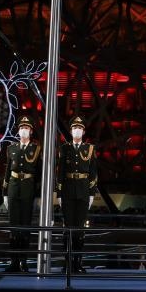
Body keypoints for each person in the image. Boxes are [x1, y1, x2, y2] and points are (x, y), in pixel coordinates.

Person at [57, 115, 97, 274]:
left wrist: (92, 193)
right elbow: (60, 172)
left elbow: (93, 173)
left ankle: (78, 263)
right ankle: (67, 263)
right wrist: (59, 193)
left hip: (83, 191)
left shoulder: (90, 149)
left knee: (80, 230)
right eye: (74, 128)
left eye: (80, 128)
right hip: (67, 190)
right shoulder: (64, 148)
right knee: (67, 229)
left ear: (84, 131)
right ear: (71, 130)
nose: (77, 131)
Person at [2, 114, 41, 273]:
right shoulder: (11, 148)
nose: (23, 130)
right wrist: (5, 193)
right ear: (18, 131)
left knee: (25, 226)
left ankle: (23, 261)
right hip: (13, 186)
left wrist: (38, 195)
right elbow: (7, 171)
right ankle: (14, 261)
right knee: (13, 226)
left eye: (26, 128)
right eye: (21, 128)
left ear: (31, 131)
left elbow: (39, 174)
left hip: (28, 188)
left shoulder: (36, 149)